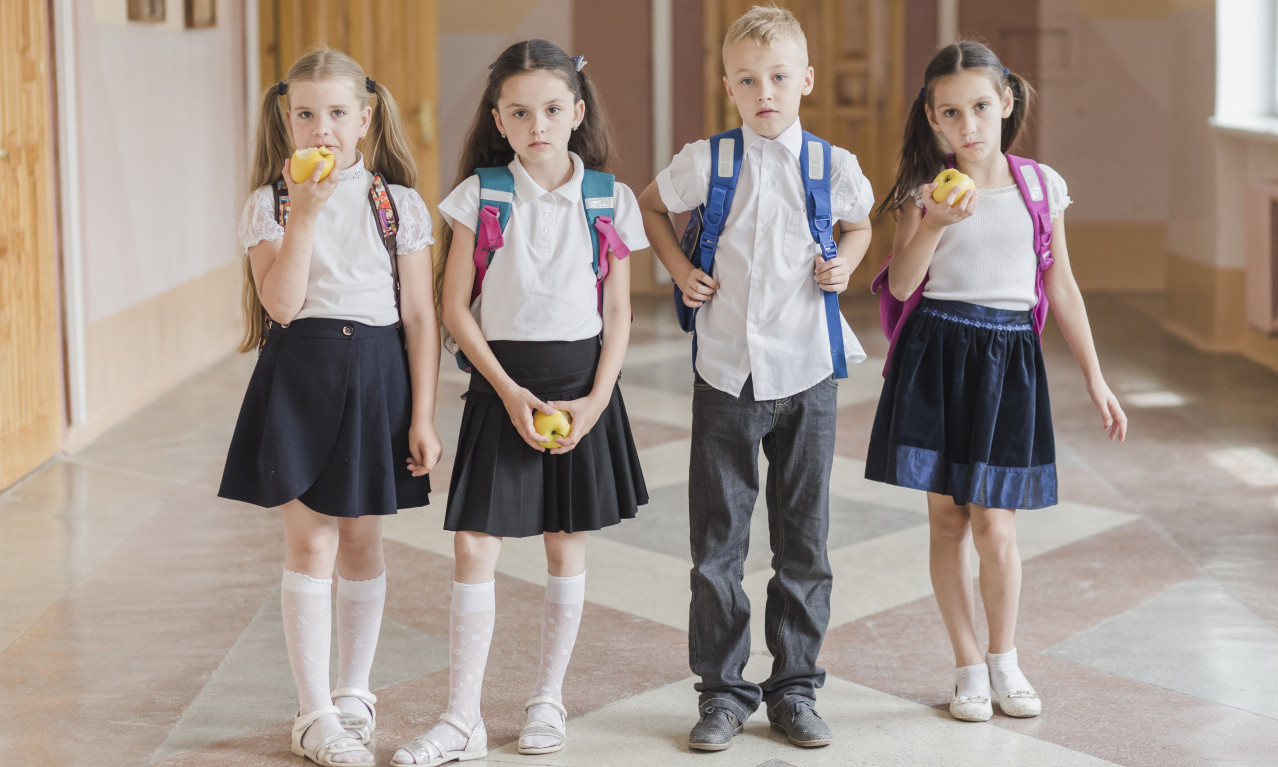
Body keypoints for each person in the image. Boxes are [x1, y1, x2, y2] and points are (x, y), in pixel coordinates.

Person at [390, 39, 648, 767]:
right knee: (474, 542)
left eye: (553, 108)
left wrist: (597, 402)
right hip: (503, 385)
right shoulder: (479, 194)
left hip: (581, 383)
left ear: (578, 111)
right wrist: (506, 392)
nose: (538, 123)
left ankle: (547, 698)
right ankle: (461, 714)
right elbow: (454, 308)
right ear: (498, 119)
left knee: (565, 544)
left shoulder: (610, 198)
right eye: (520, 111)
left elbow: (620, 312)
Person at [865, 40, 1128, 723]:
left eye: (981, 107)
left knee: (997, 526)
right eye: (951, 113)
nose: (969, 125)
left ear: (1007, 103)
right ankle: (966, 666)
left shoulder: (1042, 186)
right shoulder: (922, 192)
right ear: (932, 118)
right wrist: (934, 223)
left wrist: (1096, 378)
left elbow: (1061, 286)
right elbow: (899, 282)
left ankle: (1005, 658)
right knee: (948, 520)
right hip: (938, 353)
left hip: (1009, 360)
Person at [638, 5, 873, 752]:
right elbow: (650, 207)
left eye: (777, 76)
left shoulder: (831, 165)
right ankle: (722, 690)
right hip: (726, 375)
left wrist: (848, 261)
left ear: (803, 79)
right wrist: (680, 269)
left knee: (803, 541)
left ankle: (796, 686)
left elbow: (861, 224)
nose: (764, 89)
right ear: (728, 86)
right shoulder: (707, 162)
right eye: (747, 78)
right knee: (719, 544)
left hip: (808, 373)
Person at [218, 49, 442, 767]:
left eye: (338, 114)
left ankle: (353, 692)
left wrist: (424, 415)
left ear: (366, 118)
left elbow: (419, 319)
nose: (322, 130)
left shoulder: (398, 204)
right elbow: (281, 305)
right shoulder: (269, 203)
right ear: (287, 121)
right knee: (311, 542)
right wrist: (306, 214)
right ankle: (313, 712)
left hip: (377, 375)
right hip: (300, 373)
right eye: (306, 115)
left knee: (362, 542)